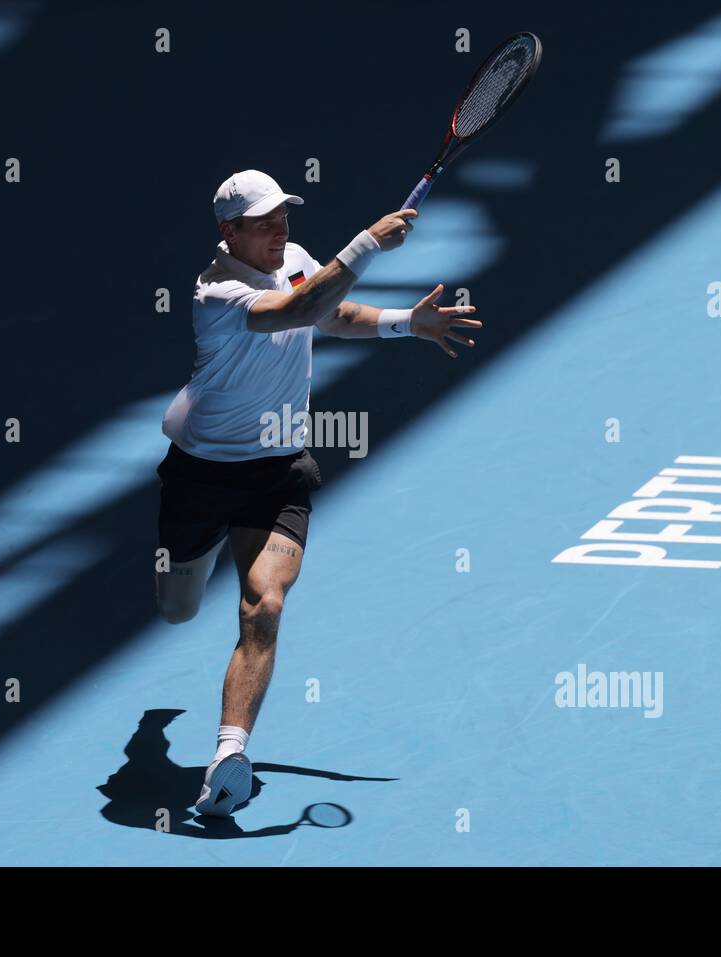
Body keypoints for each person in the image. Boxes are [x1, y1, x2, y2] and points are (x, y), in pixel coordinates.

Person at [156, 169, 481, 816]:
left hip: (278, 469)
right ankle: (155, 736)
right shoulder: (217, 293)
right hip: (201, 473)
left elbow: (330, 314)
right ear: (230, 232)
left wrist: (404, 323)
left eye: (284, 216)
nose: (281, 230)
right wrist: (365, 244)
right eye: (264, 221)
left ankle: (230, 754)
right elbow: (298, 310)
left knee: (264, 602)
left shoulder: (297, 262)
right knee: (178, 608)